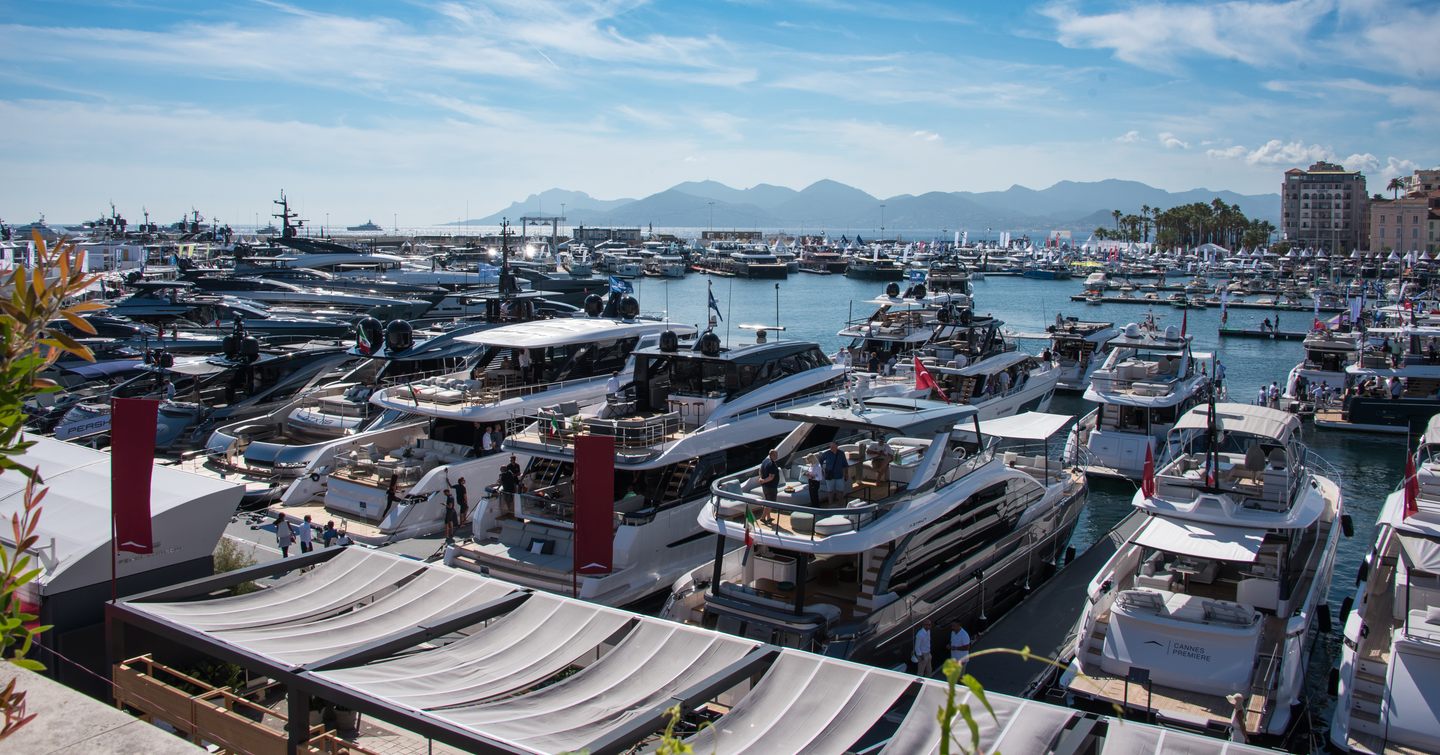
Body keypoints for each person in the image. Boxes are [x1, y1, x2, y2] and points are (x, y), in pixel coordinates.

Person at [820, 441, 849, 506]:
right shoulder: (826, 453)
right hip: (829, 476)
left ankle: (840, 504)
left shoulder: (841, 453)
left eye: (833, 446)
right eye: (830, 446)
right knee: (830, 491)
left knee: (840, 491)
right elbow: (820, 462)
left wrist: (846, 474)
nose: (831, 448)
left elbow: (845, 464)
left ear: (837, 446)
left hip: (839, 475)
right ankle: (831, 505)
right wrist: (822, 471)